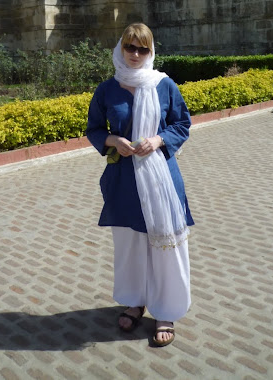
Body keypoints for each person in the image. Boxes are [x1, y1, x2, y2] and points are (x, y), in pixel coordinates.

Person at [86, 22, 194, 347]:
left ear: (151, 51)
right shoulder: (107, 89)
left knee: (165, 246)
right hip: (125, 181)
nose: (135, 54)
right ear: (120, 49)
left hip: (160, 180)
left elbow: (182, 123)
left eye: (142, 48)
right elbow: (93, 129)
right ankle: (135, 301)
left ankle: (165, 310)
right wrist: (112, 140)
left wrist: (160, 139)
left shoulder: (164, 85)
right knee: (131, 246)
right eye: (130, 47)